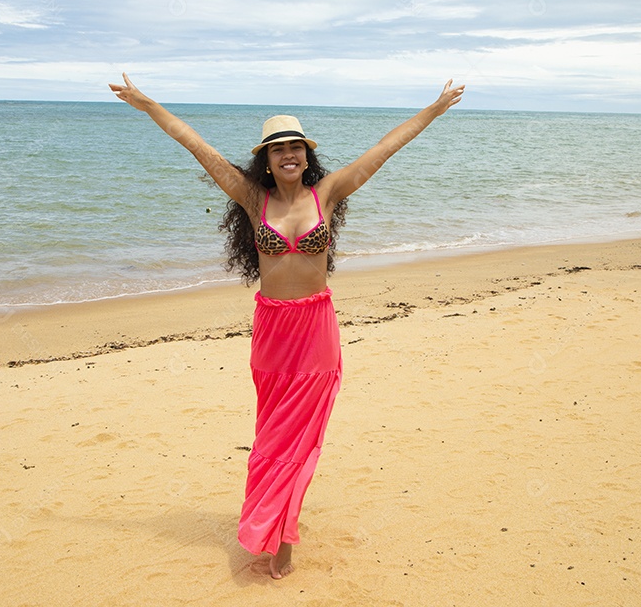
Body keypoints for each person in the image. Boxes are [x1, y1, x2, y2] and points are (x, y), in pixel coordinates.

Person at [108, 73, 464, 579]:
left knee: (300, 440)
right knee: (272, 439)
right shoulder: (254, 200)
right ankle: (271, 523)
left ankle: (283, 540)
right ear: (267, 160)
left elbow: (385, 147)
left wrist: (434, 109)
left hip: (316, 329)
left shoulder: (330, 191)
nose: (288, 155)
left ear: (306, 155)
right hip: (273, 332)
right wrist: (147, 105)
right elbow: (196, 146)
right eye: (278, 150)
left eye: (295, 147)